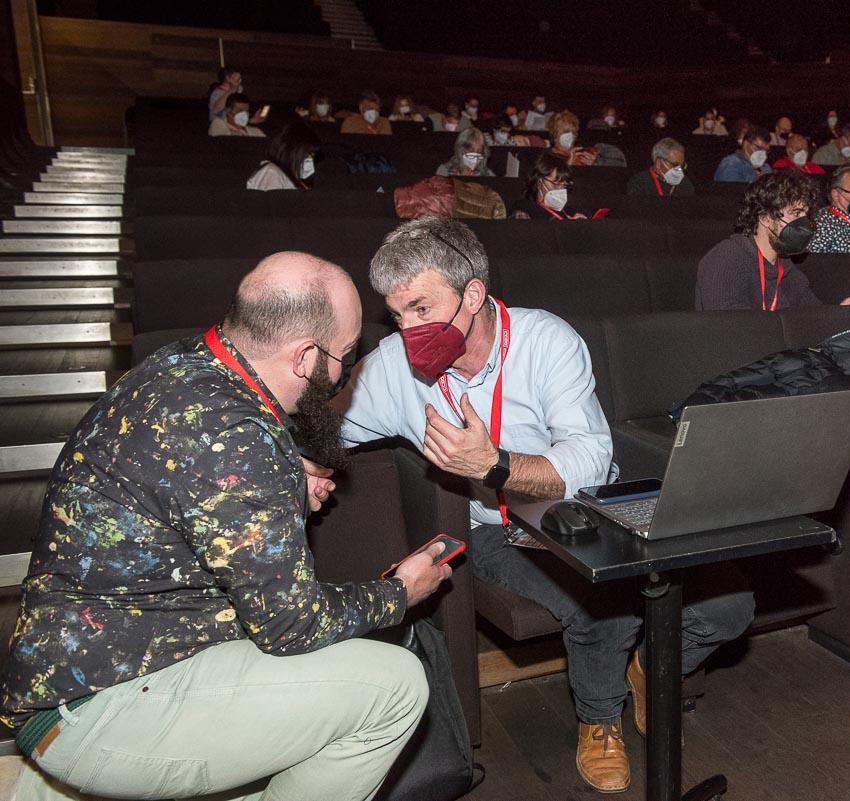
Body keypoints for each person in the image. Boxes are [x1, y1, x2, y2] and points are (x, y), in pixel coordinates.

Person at [0, 252, 441, 801]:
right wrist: (398, 593)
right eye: (345, 357)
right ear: (305, 355)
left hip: (66, 673)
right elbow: (290, 627)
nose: (344, 374)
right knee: (397, 686)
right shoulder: (235, 438)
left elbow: (191, 487)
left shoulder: (185, 364)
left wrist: (279, 480)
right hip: (100, 706)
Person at [337, 218, 755, 793]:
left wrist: (496, 466)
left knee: (729, 606)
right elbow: (327, 430)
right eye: (397, 313)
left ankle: (651, 669)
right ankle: (599, 715)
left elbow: (588, 456)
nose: (409, 329)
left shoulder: (546, 340)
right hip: (494, 527)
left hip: (586, 508)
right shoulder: (392, 367)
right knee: (602, 606)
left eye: (421, 308)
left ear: (474, 295)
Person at [696, 172, 850, 311]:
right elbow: (730, 329)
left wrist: (838, 313)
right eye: (796, 214)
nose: (804, 223)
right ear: (766, 218)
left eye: (806, 215)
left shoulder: (785, 266)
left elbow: (813, 315)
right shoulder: (725, 260)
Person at [510, 151, 587, 220]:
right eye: (556, 184)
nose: (560, 190)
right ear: (540, 181)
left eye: (564, 185)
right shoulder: (523, 209)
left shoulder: (569, 210)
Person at [247, 122, 321, 190]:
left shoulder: (296, 179)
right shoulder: (272, 173)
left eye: (313, 156)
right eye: (308, 155)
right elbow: (271, 203)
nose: (311, 160)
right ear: (293, 152)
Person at [626, 137, 695, 196]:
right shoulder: (639, 183)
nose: (679, 169)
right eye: (674, 165)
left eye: (682, 165)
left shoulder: (685, 184)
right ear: (658, 163)